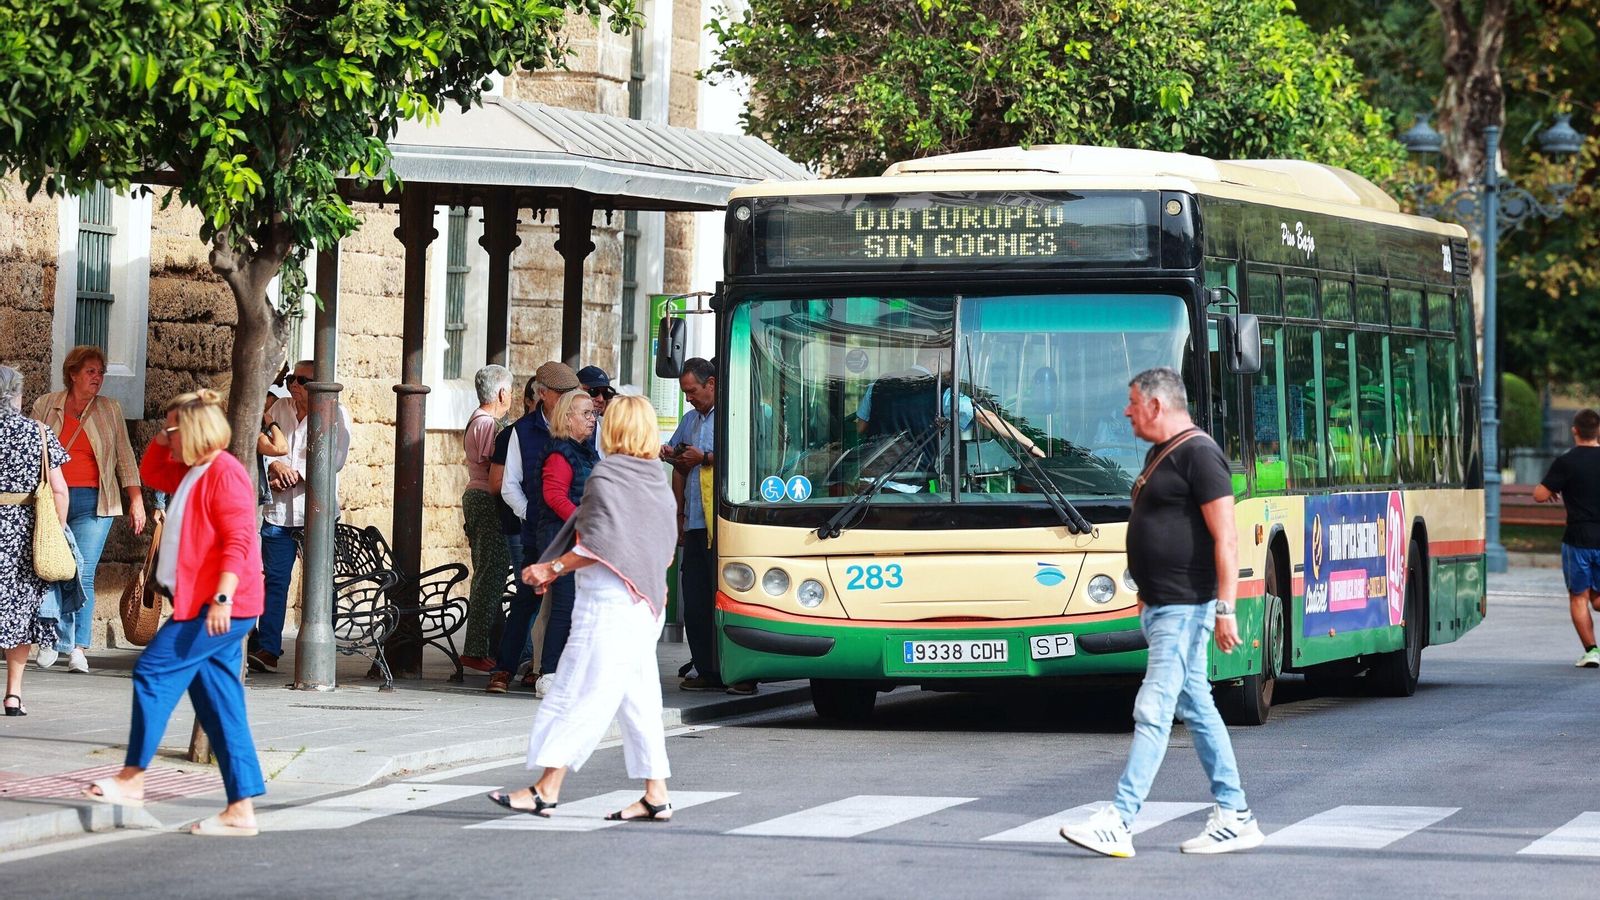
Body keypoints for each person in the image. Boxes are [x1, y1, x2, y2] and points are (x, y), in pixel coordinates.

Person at [1060, 367, 1263, 858]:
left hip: (1185, 609)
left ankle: (1121, 819)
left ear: (1156, 405)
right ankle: (1235, 816)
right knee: (1196, 706)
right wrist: (1147, 589)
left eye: (1132, 403)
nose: (1127, 412)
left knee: (1154, 709)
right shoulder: (1161, 454)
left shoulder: (1201, 454)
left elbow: (1227, 537)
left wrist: (1226, 608)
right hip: (1163, 605)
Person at [487, 395, 679, 821]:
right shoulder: (654, 478)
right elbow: (665, 547)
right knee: (639, 700)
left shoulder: (607, 473)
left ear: (616, 430)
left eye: (604, 418)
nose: (598, 423)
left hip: (608, 604)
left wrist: (550, 568)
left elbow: (596, 545)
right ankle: (656, 793)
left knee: (578, 692)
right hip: (645, 604)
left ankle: (546, 788)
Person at [82, 390, 265, 836]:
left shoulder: (225, 473)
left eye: (173, 430)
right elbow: (151, 471)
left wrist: (222, 598)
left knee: (153, 671)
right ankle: (241, 809)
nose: (167, 437)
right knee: (222, 707)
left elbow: (238, 540)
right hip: (204, 603)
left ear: (195, 432)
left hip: (216, 606)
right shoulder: (192, 470)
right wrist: (166, 434)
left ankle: (133, 778)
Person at [30, 345, 146, 673]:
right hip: (52, 499)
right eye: (91, 372)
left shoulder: (109, 409)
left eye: (100, 372)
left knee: (83, 571)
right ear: (73, 374)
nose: (98, 377)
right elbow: (31, 452)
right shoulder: (46, 405)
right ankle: (51, 638)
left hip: (97, 501)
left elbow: (125, 456)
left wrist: (135, 499)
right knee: (52, 568)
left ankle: (78, 647)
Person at [250, 359, 352, 674]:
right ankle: (267, 648)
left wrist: (294, 473)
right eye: (292, 379)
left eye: (302, 381)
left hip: (316, 513)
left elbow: (334, 461)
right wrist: (272, 467)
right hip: (279, 512)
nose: (294, 385)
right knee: (275, 580)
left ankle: (325, 644)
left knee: (322, 583)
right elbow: (258, 448)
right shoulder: (277, 410)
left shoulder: (337, 414)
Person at [660, 357, 754, 695]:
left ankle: (741, 672)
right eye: (685, 393)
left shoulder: (733, 414)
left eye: (693, 391)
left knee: (729, 599)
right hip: (697, 522)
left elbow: (744, 457)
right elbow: (680, 468)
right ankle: (706, 668)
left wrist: (706, 458)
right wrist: (678, 512)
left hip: (727, 524)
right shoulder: (689, 421)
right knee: (696, 599)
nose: (689, 398)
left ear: (711, 384)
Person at [492, 361, 580, 694]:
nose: (569, 400)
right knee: (526, 600)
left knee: (565, 603)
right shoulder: (521, 432)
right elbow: (509, 484)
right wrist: (531, 514)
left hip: (573, 534)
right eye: (562, 394)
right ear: (542, 394)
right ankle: (504, 669)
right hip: (535, 532)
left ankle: (552, 671)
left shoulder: (584, 427)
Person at [0, 366, 70, 715]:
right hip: (25, 535)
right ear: (17, 396)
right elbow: (59, 490)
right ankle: (13, 694)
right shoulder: (39, 434)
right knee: (20, 613)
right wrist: (57, 529)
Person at [530, 389, 600, 697]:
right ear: (566, 418)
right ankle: (549, 672)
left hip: (582, 539)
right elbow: (554, 496)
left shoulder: (586, 450)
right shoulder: (560, 452)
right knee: (565, 605)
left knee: (579, 607)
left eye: (593, 413)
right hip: (564, 539)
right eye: (585, 413)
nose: (592, 418)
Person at [1534, 408, 1600, 667]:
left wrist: (1554, 488)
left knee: (1579, 596)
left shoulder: (1567, 462)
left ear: (1575, 430)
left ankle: (1592, 651)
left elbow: (1539, 494)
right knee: (1597, 599)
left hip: (1578, 539)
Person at [460, 364, 514, 672]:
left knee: (488, 572)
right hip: (486, 498)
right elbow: (497, 466)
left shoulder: (476, 420)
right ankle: (476, 647)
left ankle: (485, 644)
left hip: (475, 496)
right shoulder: (489, 425)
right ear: (502, 392)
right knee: (489, 575)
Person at [578, 365, 615, 458]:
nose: (601, 399)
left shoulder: (609, 430)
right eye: (593, 391)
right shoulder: (560, 430)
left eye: (605, 393)